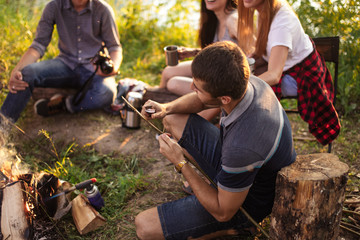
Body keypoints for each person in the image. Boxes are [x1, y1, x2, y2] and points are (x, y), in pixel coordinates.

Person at [135, 41, 296, 239]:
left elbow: (223, 211)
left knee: (144, 226)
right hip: (241, 169)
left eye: (198, 87)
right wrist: (165, 108)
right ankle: (216, 186)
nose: (192, 86)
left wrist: (180, 162)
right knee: (172, 117)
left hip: (247, 201)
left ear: (224, 99)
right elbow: (200, 100)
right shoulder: (247, 81)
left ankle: (237, 228)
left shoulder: (243, 146)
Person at [237, 0, 340, 145]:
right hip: (284, 67)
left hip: (303, 77)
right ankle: (236, 131)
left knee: (248, 92)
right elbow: (267, 51)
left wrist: (239, 85)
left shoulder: (282, 22)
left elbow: (274, 75)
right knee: (239, 76)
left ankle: (256, 140)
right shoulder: (263, 11)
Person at [0, 0, 122, 123]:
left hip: (94, 70)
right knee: (25, 74)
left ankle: (64, 104)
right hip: (65, 64)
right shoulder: (53, 6)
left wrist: (113, 67)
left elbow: (115, 47)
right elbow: (38, 45)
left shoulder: (103, 9)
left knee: (107, 93)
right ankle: (3, 128)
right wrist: (17, 70)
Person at [159, 0, 238, 96]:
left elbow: (250, 52)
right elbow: (221, 53)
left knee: (173, 83)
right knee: (168, 71)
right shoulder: (215, 20)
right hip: (213, 69)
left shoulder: (233, 19)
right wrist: (194, 52)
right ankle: (155, 97)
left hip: (225, 79)